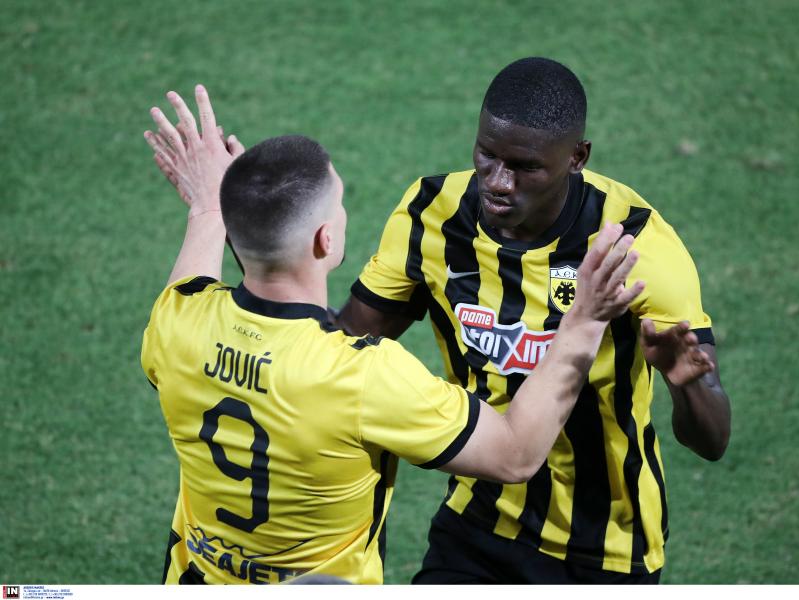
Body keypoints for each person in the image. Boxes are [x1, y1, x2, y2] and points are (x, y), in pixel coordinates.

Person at [140, 85, 697, 584]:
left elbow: (201, 268)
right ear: (326, 240)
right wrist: (584, 319)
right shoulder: (364, 377)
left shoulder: (177, 324)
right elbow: (514, 454)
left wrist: (215, 206)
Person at [333, 57, 732, 583]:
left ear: (577, 157)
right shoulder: (432, 214)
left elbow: (712, 441)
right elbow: (340, 352)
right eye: (487, 154)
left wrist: (687, 385)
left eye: (524, 167)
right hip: (475, 520)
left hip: (604, 548)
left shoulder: (634, 245)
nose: (498, 182)